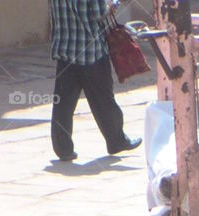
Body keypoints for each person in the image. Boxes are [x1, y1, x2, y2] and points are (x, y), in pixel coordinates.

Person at [49, 0, 141, 162]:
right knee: (104, 100)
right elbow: (100, 13)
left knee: (63, 104)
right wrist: (113, 4)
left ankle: (63, 149)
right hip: (91, 51)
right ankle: (116, 140)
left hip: (65, 49)